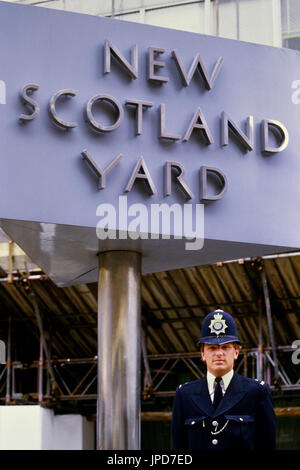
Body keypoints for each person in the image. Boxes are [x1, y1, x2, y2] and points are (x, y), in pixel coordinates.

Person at [172, 309, 276, 450]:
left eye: (226, 347)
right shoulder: (184, 394)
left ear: (236, 352)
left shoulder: (256, 392)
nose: (219, 353)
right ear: (203, 354)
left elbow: (267, 445)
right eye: (212, 348)